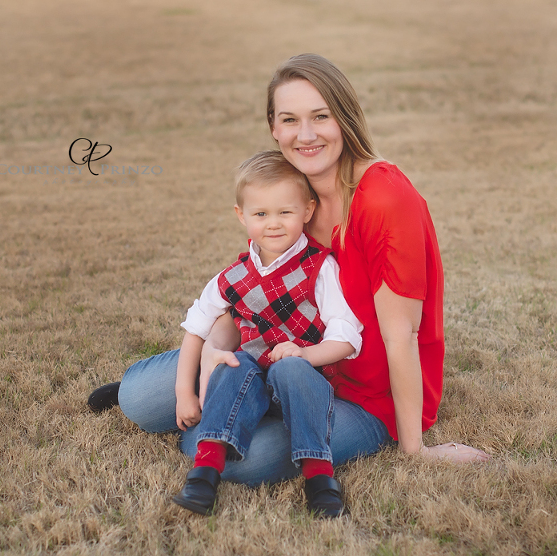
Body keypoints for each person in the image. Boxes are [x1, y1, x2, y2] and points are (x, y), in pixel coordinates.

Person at [87, 52, 489, 512]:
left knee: (240, 459)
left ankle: (232, 421)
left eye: (321, 116)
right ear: (273, 128)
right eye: (290, 120)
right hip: (271, 356)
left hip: (361, 394)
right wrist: (214, 350)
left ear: (345, 117)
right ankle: (216, 401)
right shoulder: (295, 191)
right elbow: (255, 293)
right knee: (139, 400)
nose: (306, 135)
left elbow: (403, 335)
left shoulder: (384, 199)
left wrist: (415, 449)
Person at [171, 150, 362, 517]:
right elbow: (195, 329)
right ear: (241, 215)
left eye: (285, 212)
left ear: (307, 211)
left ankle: (320, 480)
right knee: (234, 363)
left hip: (301, 386)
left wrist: (305, 354)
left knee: (291, 368)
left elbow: (347, 335)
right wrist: (184, 394)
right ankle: (204, 476)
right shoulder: (233, 276)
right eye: (260, 214)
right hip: (248, 387)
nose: (273, 224)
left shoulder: (319, 268)